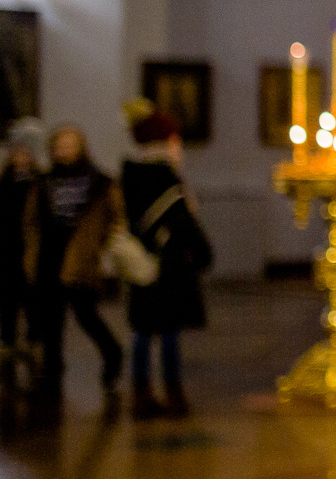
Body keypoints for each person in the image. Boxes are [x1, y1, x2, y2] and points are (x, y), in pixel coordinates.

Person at [24, 125, 127, 420]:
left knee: (86, 314)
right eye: (60, 146)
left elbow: (114, 217)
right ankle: (53, 372)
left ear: (81, 147)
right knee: (50, 320)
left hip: (81, 256)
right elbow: (31, 220)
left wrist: (101, 247)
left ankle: (111, 353)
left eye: (70, 145)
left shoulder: (99, 181)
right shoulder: (43, 182)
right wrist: (31, 254)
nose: (65, 151)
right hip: (50, 255)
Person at [121, 109, 211, 420]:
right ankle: (173, 394)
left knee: (143, 333)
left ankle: (140, 394)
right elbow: (182, 220)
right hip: (170, 264)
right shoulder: (165, 176)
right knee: (170, 332)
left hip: (141, 262)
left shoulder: (129, 174)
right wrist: (203, 253)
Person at [0, 119, 44, 352]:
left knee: (32, 301)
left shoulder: (39, 182)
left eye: (26, 152)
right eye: (17, 151)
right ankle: (7, 342)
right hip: (6, 248)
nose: (21, 156)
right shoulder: (4, 181)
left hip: (30, 249)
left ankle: (33, 342)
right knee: (6, 301)